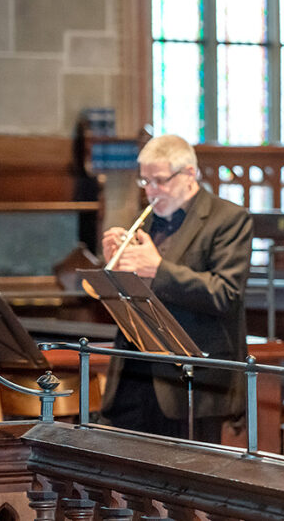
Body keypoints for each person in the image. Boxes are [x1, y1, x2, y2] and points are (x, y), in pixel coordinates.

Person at [98, 134, 253, 443]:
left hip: (191, 383)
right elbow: (133, 300)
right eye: (145, 182)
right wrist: (114, 271)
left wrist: (158, 269)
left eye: (160, 180)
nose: (152, 192)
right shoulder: (145, 222)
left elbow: (226, 293)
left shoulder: (229, 219)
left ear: (189, 174)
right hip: (134, 375)